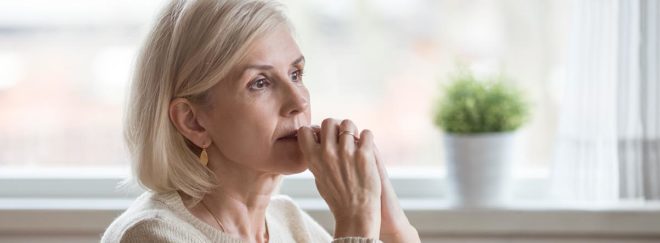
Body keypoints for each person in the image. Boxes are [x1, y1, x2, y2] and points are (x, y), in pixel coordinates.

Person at [101, 0, 421, 242]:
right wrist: (355, 220)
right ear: (193, 122)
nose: (299, 102)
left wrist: (389, 222)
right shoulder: (152, 235)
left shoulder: (289, 223)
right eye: (260, 83)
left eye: (295, 74)